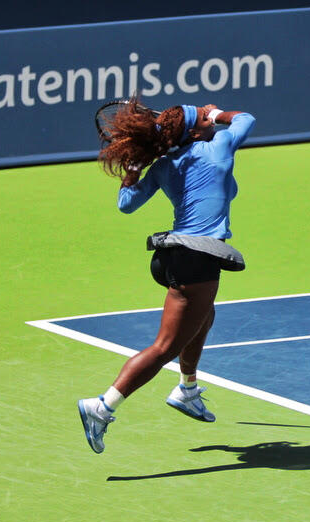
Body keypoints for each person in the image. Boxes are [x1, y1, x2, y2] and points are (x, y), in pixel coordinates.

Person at [78, 98, 255, 454]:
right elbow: (245, 118)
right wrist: (218, 112)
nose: (211, 119)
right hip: (196, 261)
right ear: (195, 130)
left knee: (205, 316)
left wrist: (132, 170)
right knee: (164, 348)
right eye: (204, 117)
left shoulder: (161, 166)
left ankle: (187, 389)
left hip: (173, 257)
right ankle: (102, 406)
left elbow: (126, 203)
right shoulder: (218, 146)